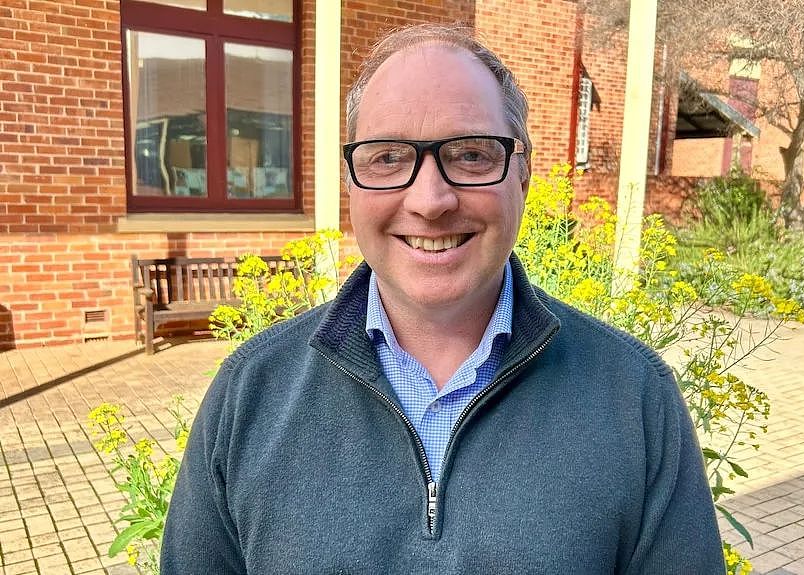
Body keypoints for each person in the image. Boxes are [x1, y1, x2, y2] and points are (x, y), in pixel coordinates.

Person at [161, 23, 725, 574]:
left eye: (472, 154)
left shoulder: (636, 398)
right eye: (387, 158)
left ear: (523, 174)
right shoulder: (248, 396)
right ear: (351, 183)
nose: (430, 200)